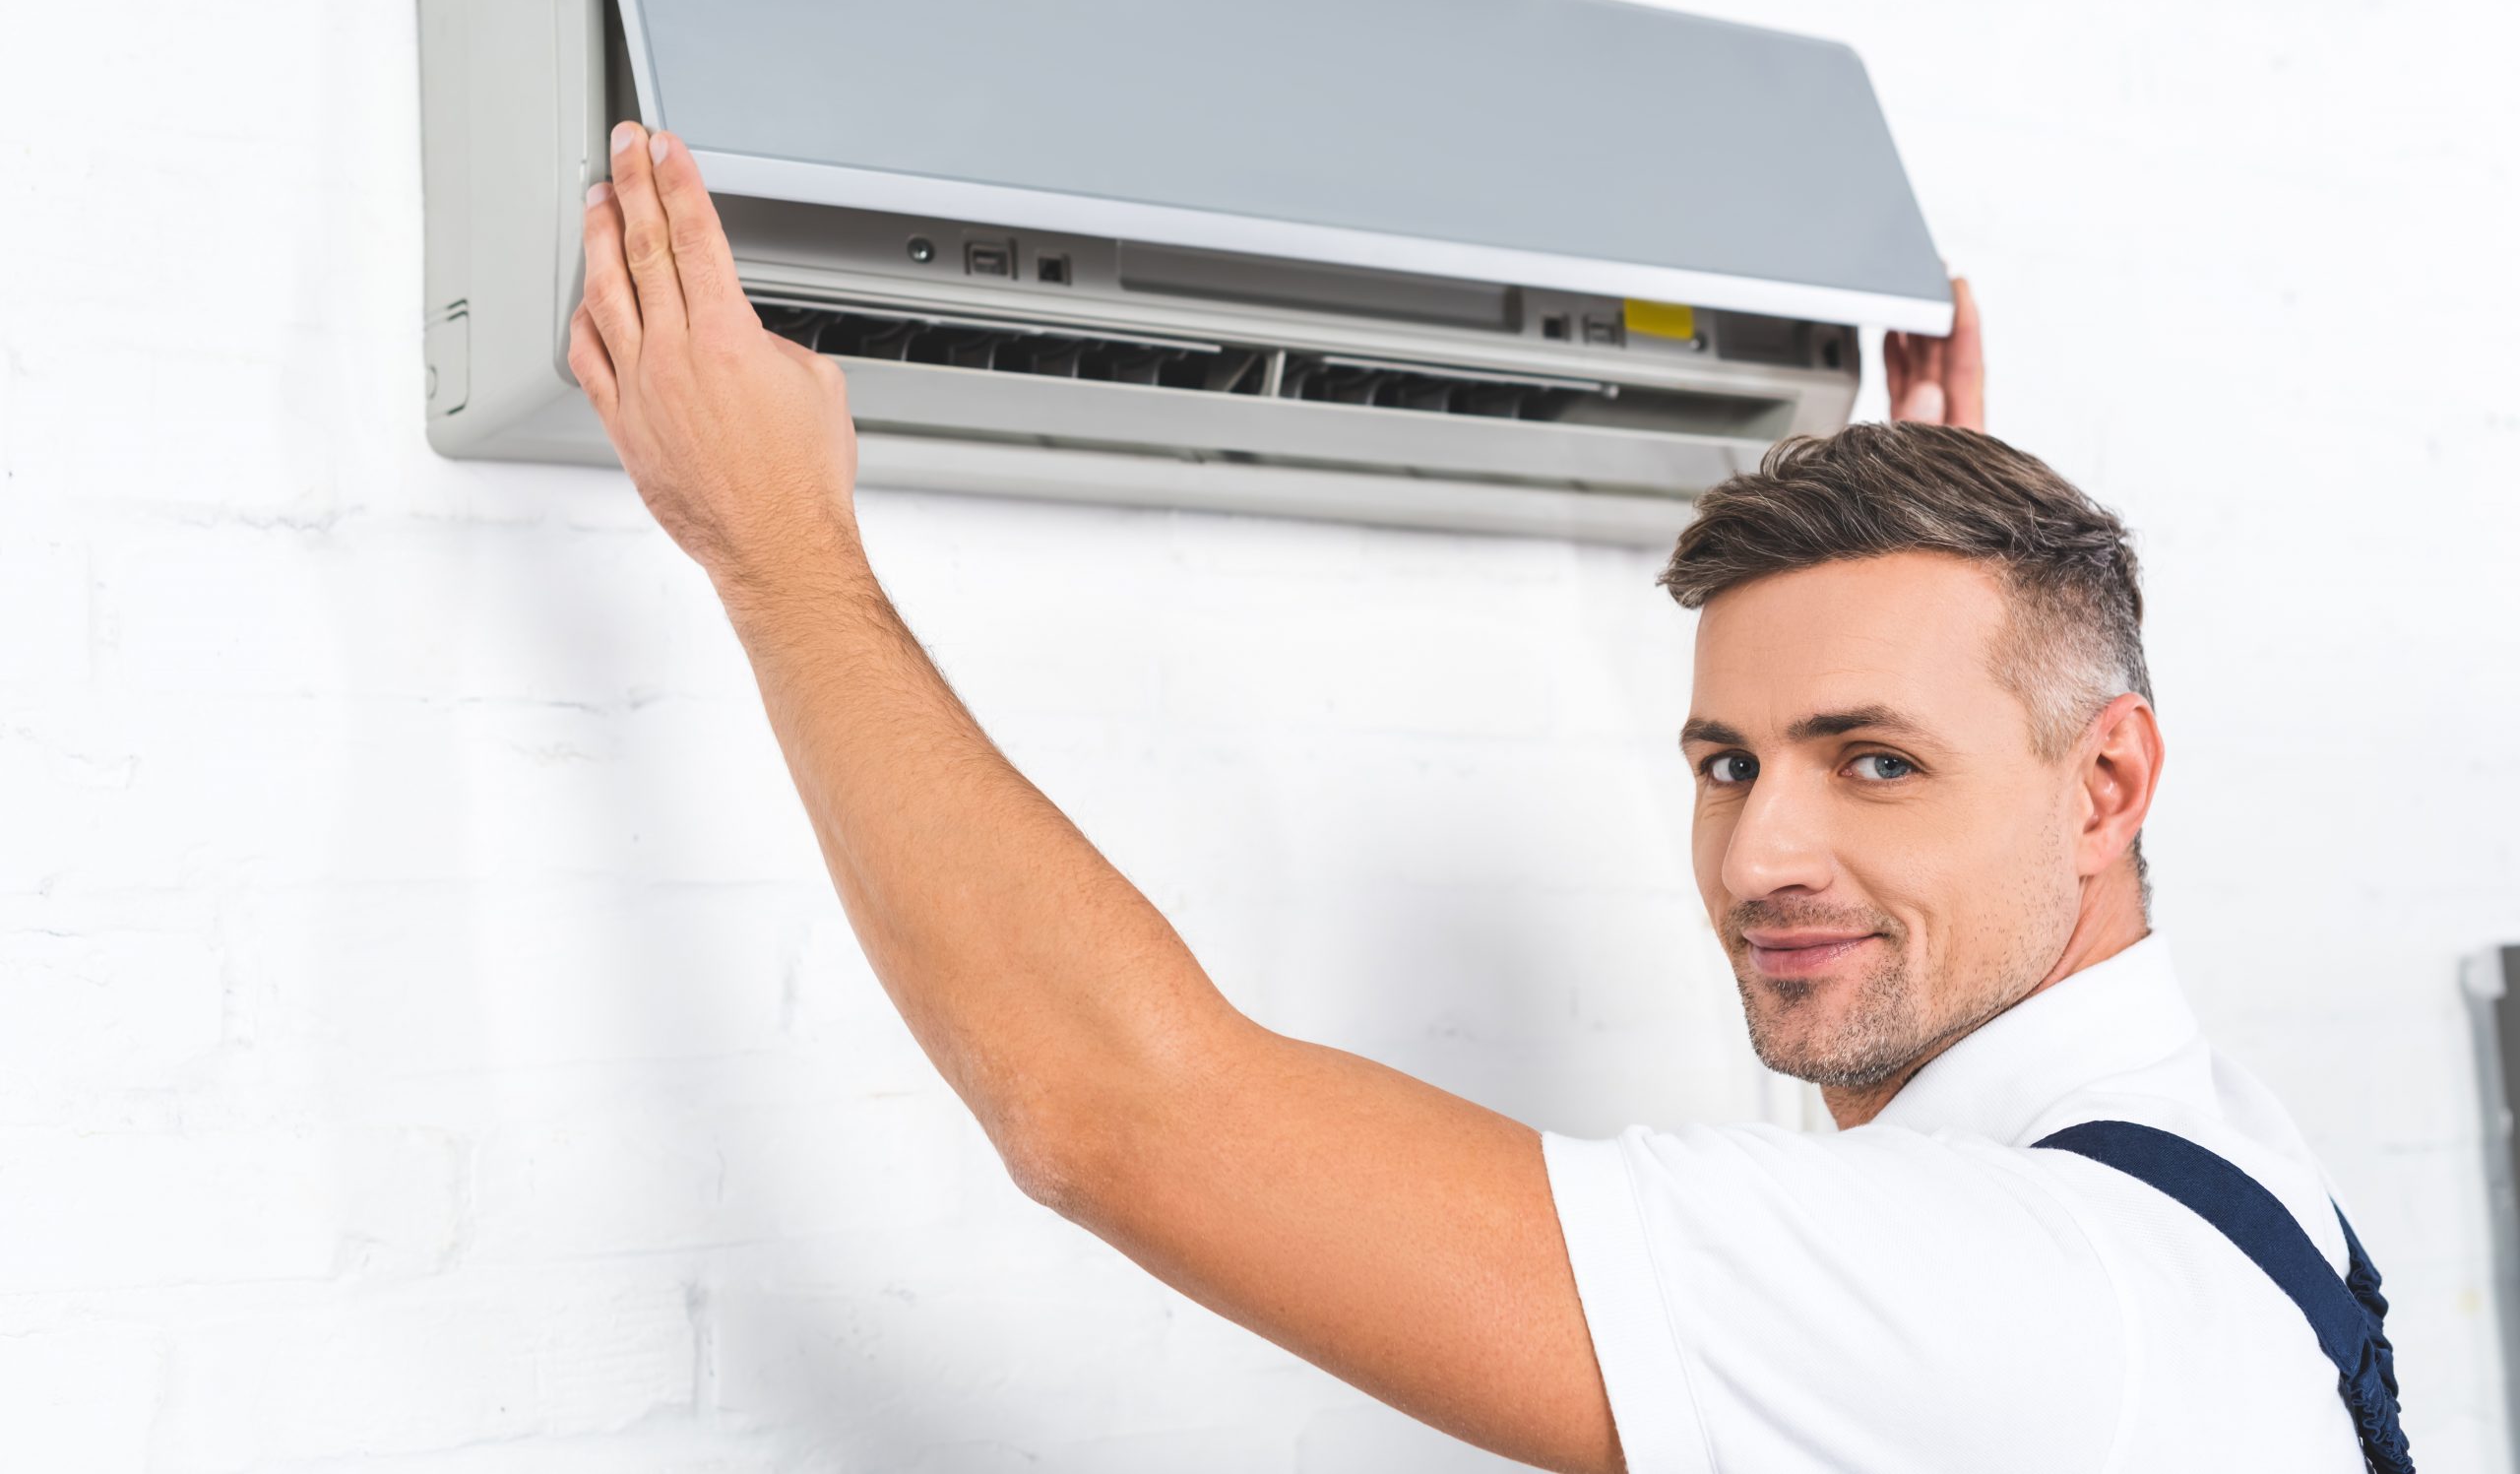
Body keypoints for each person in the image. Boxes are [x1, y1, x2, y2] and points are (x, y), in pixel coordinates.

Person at [563, 120, 2408, 1473]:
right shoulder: (2208, 1172)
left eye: (1876, 758)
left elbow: (1112, 1112)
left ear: (2106, 782)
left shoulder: (2016, 1290)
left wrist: (775, 550)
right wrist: (1926, 560)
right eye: (1725, 760)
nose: (1758, 852)